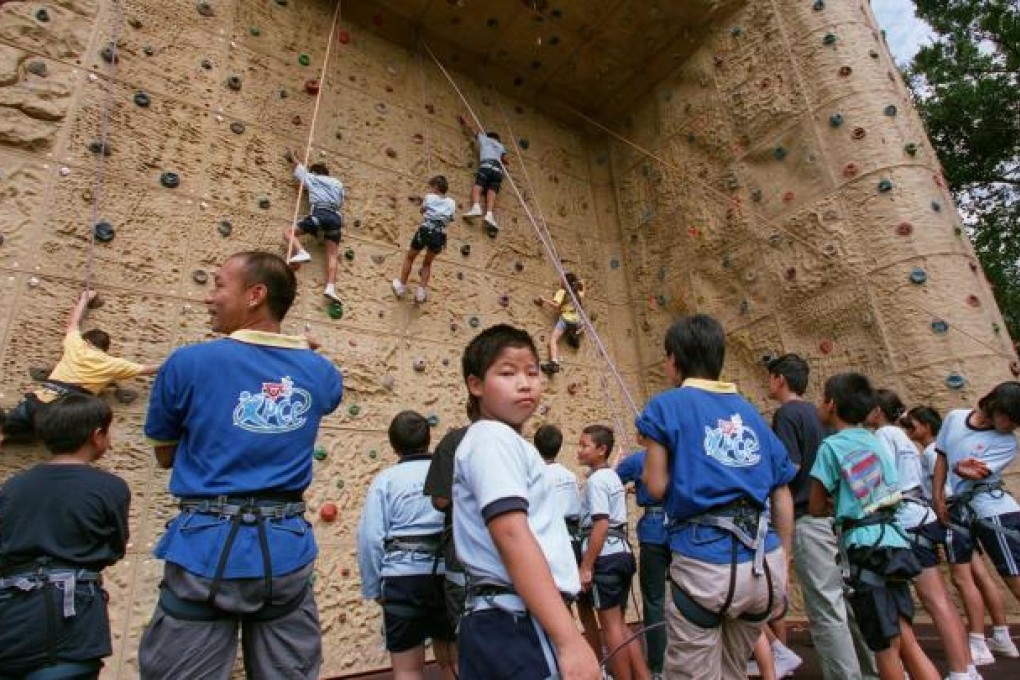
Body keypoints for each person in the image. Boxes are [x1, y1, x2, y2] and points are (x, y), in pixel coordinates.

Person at [138, 251, 344, 679]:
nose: (209, 298)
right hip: (285, 551)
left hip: (204, 549)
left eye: (218, 285)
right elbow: (321, 391)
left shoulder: (186, 363)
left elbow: (165, 453)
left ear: (255, 295)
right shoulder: (321, 373)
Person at [638, 314, 795, 680]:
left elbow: (656, 485)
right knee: (734, 671)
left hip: (706, 566)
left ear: (674, 359)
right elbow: (781, 489)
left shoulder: (666, 405)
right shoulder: (749, 412)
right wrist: (785, 555)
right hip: (765, 565)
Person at [453, 324, 599, 680]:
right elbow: (511, 534)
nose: (525, 382)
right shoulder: (492, 438)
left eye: (532, 372)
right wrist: (569, 640)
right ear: (475, 385)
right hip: (516, 621)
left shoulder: (505, 442)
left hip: (509, 616)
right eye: (507, 373)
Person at [809, 373, 938, 680]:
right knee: (906, 638)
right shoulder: (877, 439)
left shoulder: (830, 447)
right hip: (894, 540)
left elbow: (815, 505)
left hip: (864, 546)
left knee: (884, 646)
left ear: (831, 404)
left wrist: (834, 504)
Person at [0, 394, 129, 679]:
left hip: (12, 615)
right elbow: (113, 548)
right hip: (74, 617)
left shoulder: (13, 486)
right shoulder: (110, 488)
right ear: (97, 435)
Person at [764, 353, 875, 680]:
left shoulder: (787, 415)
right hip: (834, 518)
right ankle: (870, 671)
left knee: (826, 609)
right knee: (848, 604)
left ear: (780, 379)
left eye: (771, 377)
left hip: (806, 517)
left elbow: (791, 467)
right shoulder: (820, 416)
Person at [868, 390, 978, 680]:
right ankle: (965, 666)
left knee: (934, 601)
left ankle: (959, 671)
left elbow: (884, 483)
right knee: (941, 599)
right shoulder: (903, 437)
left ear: (877, 410)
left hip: (907, 519)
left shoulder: (883, 437)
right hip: (922, 516)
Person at [904, 405, 1019, 664]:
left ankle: (980, 640)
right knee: (977, 575)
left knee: (972, 577)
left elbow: (954, 479)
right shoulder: (953, 425)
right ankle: (999, 635)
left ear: (927, 425)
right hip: (961, 512)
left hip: (966, 511)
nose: (908, 429)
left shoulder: (933, 452)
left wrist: (941, 504)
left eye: (911, 424)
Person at [357, 410, 455, 680]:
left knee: (408, 671)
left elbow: (369, 539)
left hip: (403, 580)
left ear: (393, 444)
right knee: (453, 665)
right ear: (428, 438)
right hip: (448, 578)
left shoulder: (386, 480)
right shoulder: (448, 474)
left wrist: (374, 586)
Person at [0, 289, 158, 445]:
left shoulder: (77, 346)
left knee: (4, 430)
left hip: (37, 402)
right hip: (61, 415)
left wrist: (85, 298)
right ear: (104, 349)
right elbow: (148, 369)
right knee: (42, 436)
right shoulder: (112, 364)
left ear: (87, 341)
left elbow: (73, 323)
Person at [933, 383, 1020, 621]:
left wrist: (962, 470)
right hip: (962, 509)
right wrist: (937, 497)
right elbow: (941, 456)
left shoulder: (1008, 442)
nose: (1014, 426)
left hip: (995, 512)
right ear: (998, 408)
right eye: (1013, 419)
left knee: (1014, 577)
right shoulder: (954, 418)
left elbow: (978, 473)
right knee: (964, 573)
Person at [576, 425, 646, 680]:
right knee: (620, 623)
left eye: (585, 445)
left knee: (611, 625)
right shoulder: (612, 477)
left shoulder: (596, 482)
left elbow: (601, 524)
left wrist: (586, 565)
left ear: (601, 449)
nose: (579, 450)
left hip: (605, 557)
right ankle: (642, 675)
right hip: (622, 553)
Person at [423, 403, 476, 666]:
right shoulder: (516, 444)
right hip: (509, 547)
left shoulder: (454, 441)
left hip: (464, 545)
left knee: (465, 626)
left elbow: (440, 501)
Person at [615, 444, 669, 679]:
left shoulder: (638, 459)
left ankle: (657, 667)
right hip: (684, 529)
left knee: (654, 599)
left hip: (654, 530)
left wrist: (619, 464)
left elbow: (610, 481)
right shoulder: (680, 453)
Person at [282, 151, 345, 304]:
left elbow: (297, 166)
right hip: (336, 218)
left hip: (320, 213)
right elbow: (341, 201)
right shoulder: (338, 184)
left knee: (288, 232)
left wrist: (291, 156)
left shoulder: (313, 178)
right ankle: (330, 287)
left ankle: (302, 251)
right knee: (332, 255)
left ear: (315, 172)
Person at [392, 175, 457, 304]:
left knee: (410, 257)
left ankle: (401, 286)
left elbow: (422, 210)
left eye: (431, 187)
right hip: (439, 235)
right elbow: (452, 218)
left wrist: (428, 207)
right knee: (427, 263)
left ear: (436, 187)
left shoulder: (429, 197)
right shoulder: (451, 202)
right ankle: (421, 293)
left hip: (426, 230)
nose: (430, 189)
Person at [458, 116, 507, 236]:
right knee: (492, 192)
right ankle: (489, 214)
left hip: (486, 165)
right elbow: (505, 160)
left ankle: (476, 207)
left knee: (478, 186)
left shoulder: (484, 139)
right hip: (498, 170)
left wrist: (465, 121)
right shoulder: (501, 147)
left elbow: (473, 129)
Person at [535, 424, 583, 538]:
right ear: (560, 447)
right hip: (572, 537)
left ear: (535, 447)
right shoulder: (571, 476)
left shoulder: (536, 477)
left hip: (548, 536)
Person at [534, 272, 585, 376]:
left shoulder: (562, 292)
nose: (561, 281)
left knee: (553, 340)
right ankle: (575, 333)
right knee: (582, 324)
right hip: (576, 320)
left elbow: (556, 305)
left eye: (562, 280)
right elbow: (584, 292)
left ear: (565, 282)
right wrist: (583, 284)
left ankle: (554, 363)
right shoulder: (577, 293)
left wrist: (544, 299)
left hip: (565, 319)